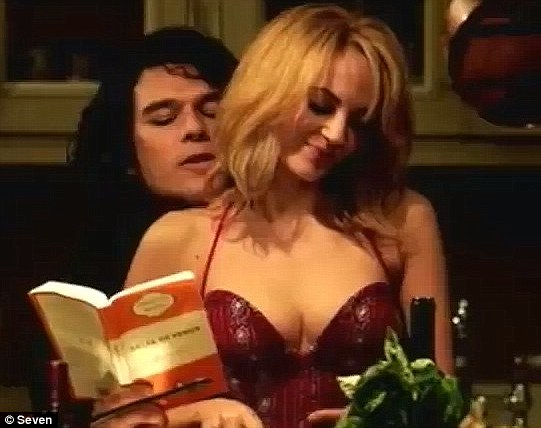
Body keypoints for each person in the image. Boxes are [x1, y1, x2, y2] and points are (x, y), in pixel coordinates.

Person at [120, 4, 453, 427]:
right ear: (268, 93)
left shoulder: (400, 222)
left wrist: (378, 419)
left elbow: (444, 405)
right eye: (320, 106)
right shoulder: (179, 239)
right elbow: (123, 417)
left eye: (358, 121)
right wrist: (202, 412)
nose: (337, 134)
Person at [25, 26, 238, 416]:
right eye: (164, 118)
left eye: (212, 111)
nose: (195, 129)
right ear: (126, 150)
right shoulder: (91, 265)